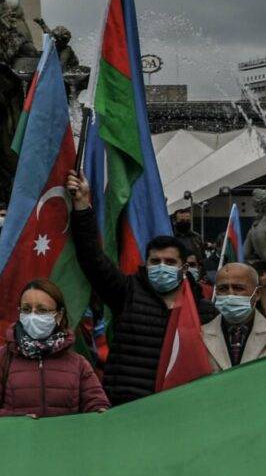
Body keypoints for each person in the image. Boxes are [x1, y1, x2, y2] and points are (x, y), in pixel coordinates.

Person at [67, 171, 195, 405]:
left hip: (176, 405)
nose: (162, 267)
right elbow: (92, 259)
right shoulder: (127, 292)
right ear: (145, 264)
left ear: (184, 268)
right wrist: (83, 206)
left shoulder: (200, 308)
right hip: (125, 404)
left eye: (170, 262)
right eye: (155, 262)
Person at [0, 280, 109, 418]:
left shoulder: (78, 363)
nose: (33, 316)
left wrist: (100, 412)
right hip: (17, 439)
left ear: (59, 315)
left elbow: (97, 406)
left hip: (64, 439)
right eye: (26, 309)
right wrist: (21, 422)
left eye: (42, 310)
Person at [202, 262, 266, 371]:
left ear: (257, 294)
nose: (230, 294)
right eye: (223, 289)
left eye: (238, 288)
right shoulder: (198, 337)